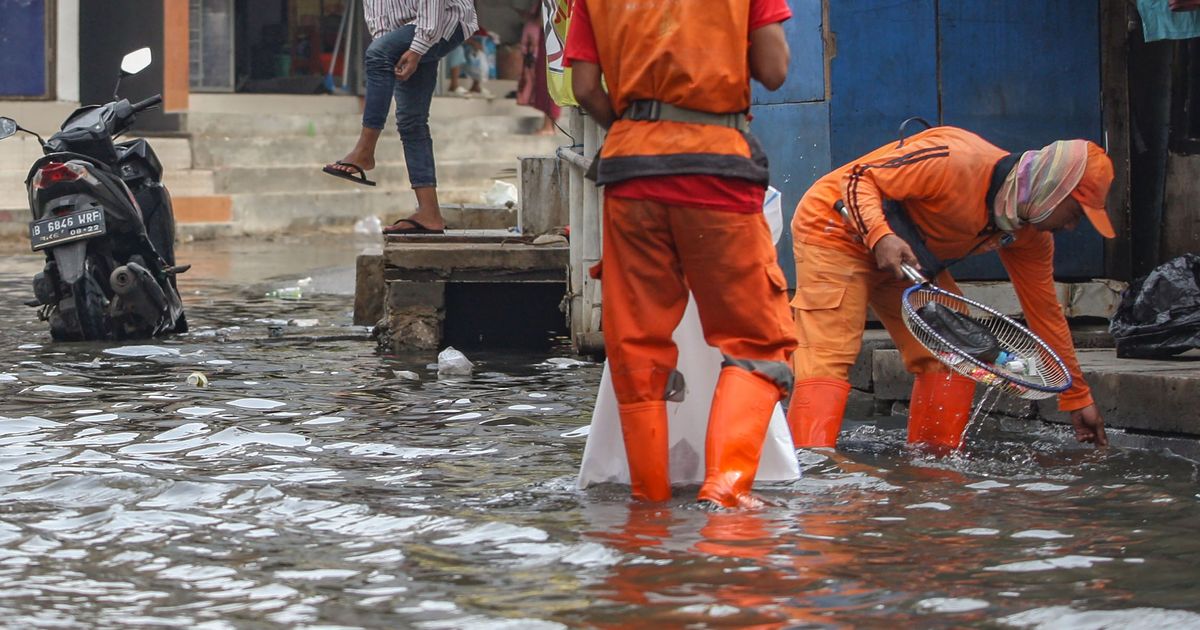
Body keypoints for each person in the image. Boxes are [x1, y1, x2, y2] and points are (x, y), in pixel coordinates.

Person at [566, 0, 797, 508]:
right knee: (756, 338)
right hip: (716, 167)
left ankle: (649, 501)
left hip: (630, 175)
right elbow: (775, 70)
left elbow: (585, 89)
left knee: (638, 343)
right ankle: (726, 491)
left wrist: (633, 129)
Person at [787, 125, 1114, 453]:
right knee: (829, 353)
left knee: (954, 351)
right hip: (835, 228)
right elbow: (858, 178)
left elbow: (1045, 313)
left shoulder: (1031, 236)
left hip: (905, 257)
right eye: (1075, 213)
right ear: (1054, 188)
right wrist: (880, 236)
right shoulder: (956, 159)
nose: (1071, 226)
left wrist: (1076, 397)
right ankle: (811, 466)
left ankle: (934, 461)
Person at [322, 0, 478, 235]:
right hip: (409, 30)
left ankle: (364, 152)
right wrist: (392, 50)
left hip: (444, 19)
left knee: (376, 55)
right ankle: (430, 213)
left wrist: (416, 47)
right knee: (411, 120)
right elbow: (379, 15)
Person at [516, 5, 559, 136]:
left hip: (550, 44)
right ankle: (548, 126)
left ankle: (548, 127)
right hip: (548, 43)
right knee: (548, 85)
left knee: (549, 85)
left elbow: (545, 19)